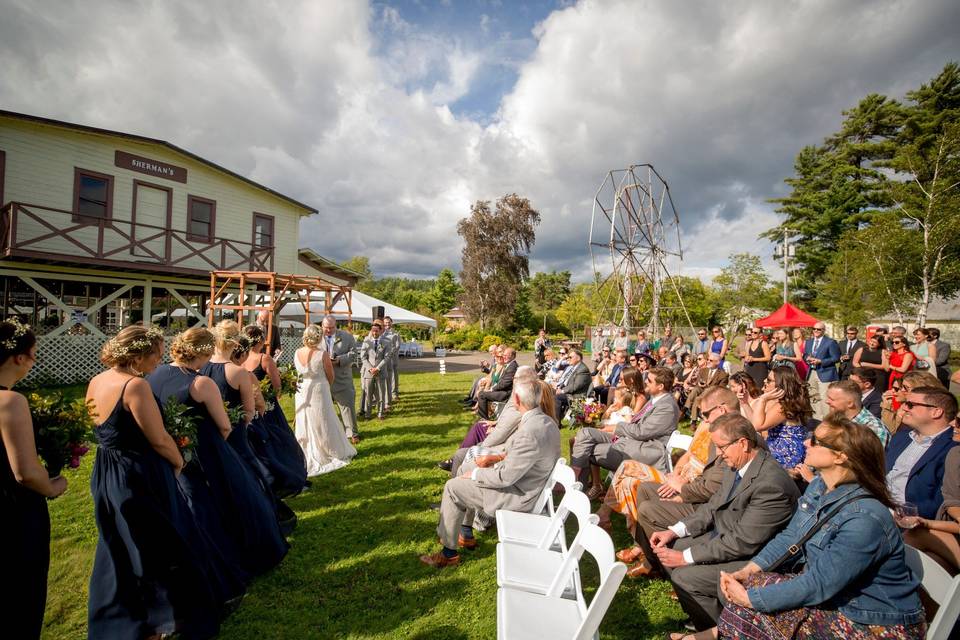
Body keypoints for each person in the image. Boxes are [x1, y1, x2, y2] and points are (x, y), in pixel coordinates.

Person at [716, 417, 926, 640]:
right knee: (747, 588)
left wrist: (750, 599)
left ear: (840, 456)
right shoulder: (819, 485)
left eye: (815, 441)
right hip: (837, 599)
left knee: (747, 608)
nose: (806, 443)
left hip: (874, 621)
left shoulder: (865, 518)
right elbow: (791, 537)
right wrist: (747, 571)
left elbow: (819, 583)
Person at [89, 326, 236, 639]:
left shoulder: (97, 380)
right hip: (139, 472)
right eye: (156, 352)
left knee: (119, 541)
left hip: (106, 469)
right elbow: (157, 438)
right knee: (162, 540)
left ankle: (126, 612)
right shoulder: (134, 386)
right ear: (139, 354)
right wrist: (178, 460)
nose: (160, 358)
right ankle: (164, 617)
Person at [638, 413, 799, 633]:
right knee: (670, 549)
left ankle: (722, 630)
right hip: (727, 538)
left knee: (684, 575)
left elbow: (742, 542)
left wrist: (686, 557)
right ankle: (706, 619)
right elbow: (712, 507)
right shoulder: (739, 467)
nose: (720, 456)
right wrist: (674, 531)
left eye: (721, 448)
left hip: (757, 558)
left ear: (743, 443)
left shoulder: (771, 484)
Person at [148, 328, 288, 577]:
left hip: (172, 450)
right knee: (230, 500)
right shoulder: (201, 383)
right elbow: (224, 425)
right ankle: (226, 552)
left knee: (189, 502)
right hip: (207, 451)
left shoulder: (155, 375)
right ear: (203, 352)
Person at [419, 376, 560, 568]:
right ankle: (464, 531)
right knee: (466, 466)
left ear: (517, 400)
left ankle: (448, 553)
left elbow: (505, 477)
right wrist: (491, 461)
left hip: (518, 494)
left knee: (453, 486)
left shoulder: (530, 430)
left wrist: (477, 475)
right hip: (525, 482)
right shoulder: (545, 421)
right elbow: (520, 458)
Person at [600, 386, 735, 570]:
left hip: (694, 486)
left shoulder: (729, 436)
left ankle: (639, 545)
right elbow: (688, 455)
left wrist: (681, 484)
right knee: (627, 470)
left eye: (705, 414)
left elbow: (711, 479)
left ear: (721, 410)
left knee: (630, 481)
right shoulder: (707, 425)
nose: (702, 419)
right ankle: (640, 542)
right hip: (680, 475)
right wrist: (676, 475)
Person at [0, 319, 67, 639]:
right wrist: (53, 486)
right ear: (18, 357)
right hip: (12, 512)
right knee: (19, 599)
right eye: (33, 354)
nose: (34, 360)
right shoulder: (10, 402)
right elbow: (25, 472)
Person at [570, 367, 679, 496]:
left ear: (660, 386)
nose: (645, 382)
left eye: (649, 381)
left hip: (643, 449)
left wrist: (617, 428)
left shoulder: (667, 407)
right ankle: (575, 480)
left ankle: (575, 486)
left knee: (586, 449)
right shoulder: (655, 400)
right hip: (628, 439)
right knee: (585, 433)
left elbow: (641, 432)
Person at [242, 325, 308, 499]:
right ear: (261, 340)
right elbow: (277, 385)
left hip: (247, 406)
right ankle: (285, 472)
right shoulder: (264, 359)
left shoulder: (239, 360)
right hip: (267, 407)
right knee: (279, 440)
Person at [886, 385, 959, 520]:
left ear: (936, 412)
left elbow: (939, 503)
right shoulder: (901, 437)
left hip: (906, 520)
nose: (904, 408)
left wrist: (899, 513)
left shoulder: (952, 451)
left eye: (910, 405)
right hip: (875, 504)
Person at [294, 324, 357, 476]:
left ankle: (306, 449)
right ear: (319, 337)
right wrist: (324, 385)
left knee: (307, 419)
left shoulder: (297, 352)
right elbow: (331, 375)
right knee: (324, 418)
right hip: (319, 389)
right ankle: (330, 449)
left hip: (302, 389)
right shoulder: (322, 354)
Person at [901, 421, 960, 575]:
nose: (953, 424)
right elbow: (952, 502)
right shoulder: (956, 454)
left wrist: (927, 524)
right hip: (954, 535)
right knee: (931, 564)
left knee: (916, 536)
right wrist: (926, 522)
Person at [742, 367, 812, 470]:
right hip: (779, 450)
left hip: (785, 456)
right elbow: (755, 422)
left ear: (781, 384)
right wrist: (744, 403)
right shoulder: (785, 402)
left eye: (769, 380)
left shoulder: (784, 405)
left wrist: (762, 399)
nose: (765, 381)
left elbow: (757, 426)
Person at [316, 315, 360, 444]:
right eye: (326, 328)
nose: (328, 330)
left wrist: (339, 360)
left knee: (347, 407)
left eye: (331, 327)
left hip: (342, 379)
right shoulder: (317, 337)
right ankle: (329, 433)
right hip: (323, 379)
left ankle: (353, 433)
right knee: (324, 409)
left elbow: (353, 354)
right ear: (322, 326)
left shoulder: (347, 337)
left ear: (336, 326)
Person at [824, 379, 890, 448]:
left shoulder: (874, 429)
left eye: (832, 399)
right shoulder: (836, 418)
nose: (827, 401)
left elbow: (871, 458)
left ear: (850, 403)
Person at [803, 321, 841, 420]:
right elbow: (805, 355)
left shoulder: (830, 342)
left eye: (818, 329)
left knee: (824, 398)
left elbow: (836, 358)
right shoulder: (809, 341)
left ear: (823, 331)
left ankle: (827, 420)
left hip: (826, 373)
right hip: (811, 372)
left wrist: (821, 361)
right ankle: (816, 419)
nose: (816, 331)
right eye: (814, 329)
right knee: (813, 396)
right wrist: (807, 358)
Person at [477, 347, 518, 420]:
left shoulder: (512, 367)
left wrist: (492, 389)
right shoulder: (510, 365)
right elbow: (500, 381)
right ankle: (484, 416)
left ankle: (483, 419)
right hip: (503, 391)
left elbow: (505, 384)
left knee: (482, 395)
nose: (504, 357)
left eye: (506, 355)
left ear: (512, 356)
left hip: (505, 394)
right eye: (504, 355)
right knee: (481, 392)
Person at [685, 353, 729, 421]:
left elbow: (720, 389)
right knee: (696, 389)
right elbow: (698, 382)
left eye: (710, 360)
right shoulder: (703, 370)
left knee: (698, 398)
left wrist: (707, 387)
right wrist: (699, 383)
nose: (708, 361)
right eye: (707, 359)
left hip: (712, 394)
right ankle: (686, 409)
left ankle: (689, 415)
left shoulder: (723, 375)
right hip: (701, 390)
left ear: (717, 362)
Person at [360, 322, 389, 420]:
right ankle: (368, 414)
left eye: (376, 331)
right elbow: (363, 357)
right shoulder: (366, 341)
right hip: (368, 373)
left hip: (380, 372)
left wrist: (378, 368)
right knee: (368, 394)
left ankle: (380, 413)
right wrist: (370, 368)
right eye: (373, 330)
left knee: (381, 394)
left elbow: (387, 357)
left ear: (380, 331)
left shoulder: (386, 342)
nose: (374, 333)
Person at [886, 334, 916, 399]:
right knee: (893, 396)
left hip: (904, 378)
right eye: (892, 342)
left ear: (904, 344)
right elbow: (887, 369)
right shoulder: (893, 354)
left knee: (901, 397)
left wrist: (891, 366)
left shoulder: (908, 355)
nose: (894, 344)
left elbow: (903, 369)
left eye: (897, 342)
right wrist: (887, 358)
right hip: (893, 377)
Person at [382, 315, 401, 403]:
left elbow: (397, 346)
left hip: (393, 358)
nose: (387, 324)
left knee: (393, 376)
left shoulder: (396, 334)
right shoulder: (381, 333)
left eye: (389, 322)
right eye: (385, 322)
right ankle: (385, 393)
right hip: (383, 359)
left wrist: (390, 353)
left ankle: (394, 394)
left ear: (391, 323)